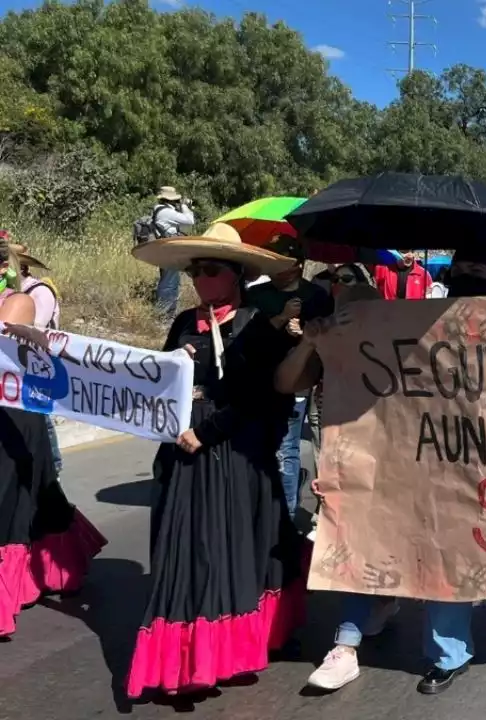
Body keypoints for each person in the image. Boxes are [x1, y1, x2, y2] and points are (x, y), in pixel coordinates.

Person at [288, 243, 486, 696]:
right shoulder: (417, 318)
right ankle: (448, 653)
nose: (467, 272)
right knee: (444, 553)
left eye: (478, 267)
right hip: (424, 458)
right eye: (461, 266)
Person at [125, 224, 307, 698]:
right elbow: (158, 381)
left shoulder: (254, 325)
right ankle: (186, 651)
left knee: (230, 544)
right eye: (193, 270)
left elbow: (257, 397)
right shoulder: (185, 321)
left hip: (230, 449)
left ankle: (235, 643)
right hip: (181, 446)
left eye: (209, 269)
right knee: (183, 547)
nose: (199, 278)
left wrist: (206, 432)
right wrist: (175, 363)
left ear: (235, 276)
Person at [0, 240, 107, 639]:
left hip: (12, 415)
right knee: (36, 490)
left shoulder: (20, 302)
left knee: (15, 494)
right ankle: (58, 563)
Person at [245, 238, 334, 520]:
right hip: (259, 379)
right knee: (258, 447)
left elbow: (330, 340)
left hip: (301, 380)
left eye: (280, 262)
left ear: (297, 264)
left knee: (286, 449)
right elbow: (248, 337)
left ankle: (286, 517)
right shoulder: (255, 295)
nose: (273, 269)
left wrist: (304, 335)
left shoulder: (317, 297)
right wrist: (282, 318)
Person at [4, 238, 64, 475]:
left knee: (40, 415)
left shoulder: (37, 292)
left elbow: (34, 328)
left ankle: (52, 466)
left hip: (34, 365)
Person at [151, 186, 196, 320]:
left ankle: (167, 313)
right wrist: (185, 206)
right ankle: (163, 314)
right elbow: (190, 221)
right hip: (169, 249)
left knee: (171, 280)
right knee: (169, 282)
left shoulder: (162, 210)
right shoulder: (166, 212)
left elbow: (183, 227)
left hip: (166, 248)